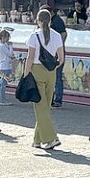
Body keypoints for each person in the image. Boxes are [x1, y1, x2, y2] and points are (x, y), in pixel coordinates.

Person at [26, 8, 64, 150]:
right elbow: (61, 58)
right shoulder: (57, 36)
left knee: (40, 106)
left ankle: (51, 138)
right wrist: (53, 67)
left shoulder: (34, 36)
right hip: (51, 71)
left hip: (37, 70)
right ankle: (37, 139)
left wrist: (26, 73)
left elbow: (30, 58)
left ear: (38, 20)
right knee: (45, 106)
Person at [49, 9, 68, 107]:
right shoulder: (49, 21)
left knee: (57, 77)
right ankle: (50, 99)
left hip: (56, 53)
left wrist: (58, 46)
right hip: (50, 53)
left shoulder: (57, 20)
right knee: (51, 77)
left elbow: (64, 34)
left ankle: (58, 99)